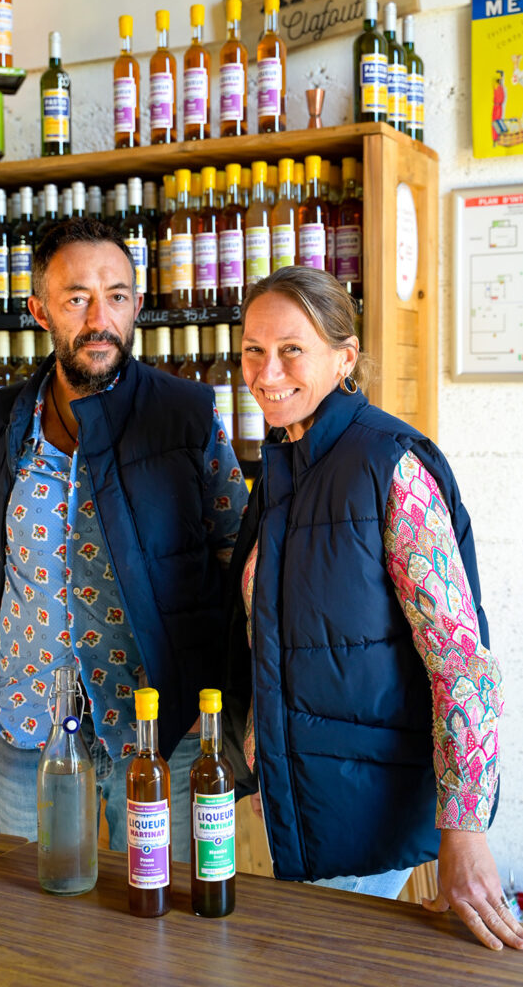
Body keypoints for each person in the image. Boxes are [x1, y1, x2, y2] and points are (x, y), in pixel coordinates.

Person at [223, 266, 523, 951]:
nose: (266, 371)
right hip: (299, 792)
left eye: (291, 349)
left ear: (345, 356)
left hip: (366, 808)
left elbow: (461, 664)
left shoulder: (389, 466)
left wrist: (467, 832)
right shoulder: (284, 464)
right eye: (252, 350)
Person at [0, 217, 247, 859]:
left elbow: (235, 551)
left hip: (161, 728)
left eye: (116, 295)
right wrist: (6, 625)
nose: (99, 316)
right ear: (39, 310)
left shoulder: (187, 415)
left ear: (137, 305)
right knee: (37, 928)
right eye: (76, 297)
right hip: (28, 724)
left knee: (165, 925)